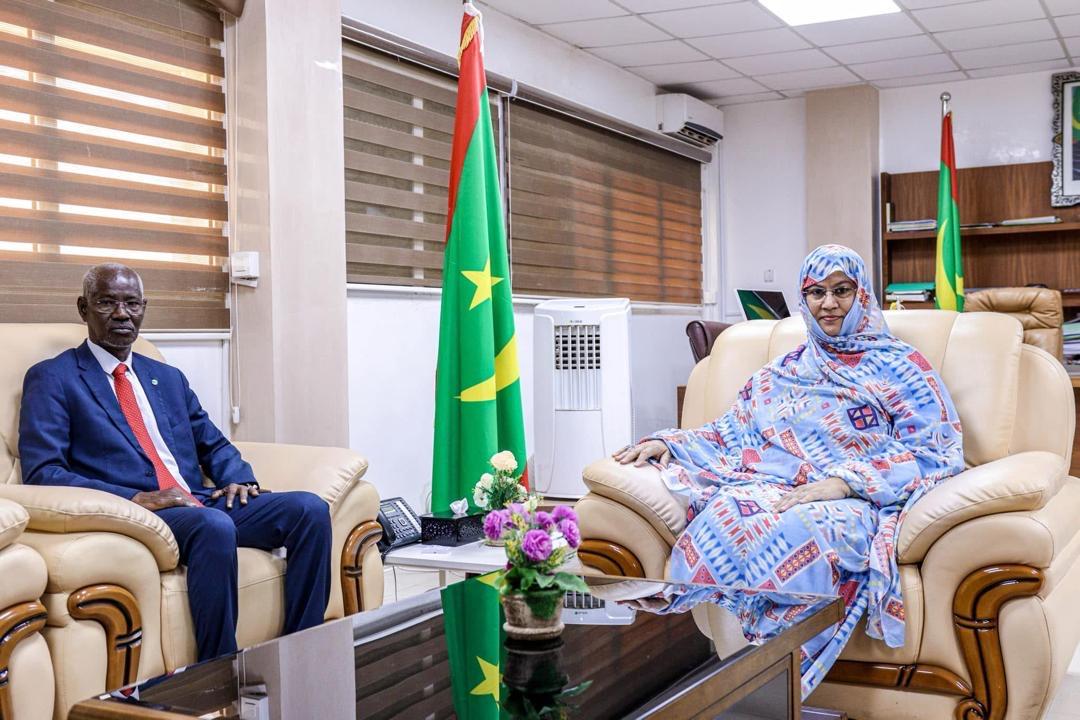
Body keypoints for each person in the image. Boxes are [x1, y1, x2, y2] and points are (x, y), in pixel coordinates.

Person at [614, 244, 964, 696]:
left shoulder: (904, 368)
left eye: (842, 290)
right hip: (775, 484)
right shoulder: (782, 370)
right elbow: (730, 432)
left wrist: (844, 482)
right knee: (726, 511)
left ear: (862, 294)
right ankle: (729, 673)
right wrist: (670, 442)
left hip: (856, 498)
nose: (829, 303)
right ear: (803, 299)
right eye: (816, 292)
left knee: (800, 528)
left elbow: (936, 450)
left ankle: (778, 683)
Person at [19, 263, 333, 662]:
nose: (122, 314)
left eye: (132, 304)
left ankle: (303, 652)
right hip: (139, 513)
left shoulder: (167, 377)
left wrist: (239, 479)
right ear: (84, 309)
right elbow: (43, 472)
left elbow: (212, 443)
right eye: (107, 303)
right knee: (213, 525)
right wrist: (136, 498)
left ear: (144, 308)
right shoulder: (53, 377)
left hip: (196, 500)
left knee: (309, 510)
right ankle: (220, 669)